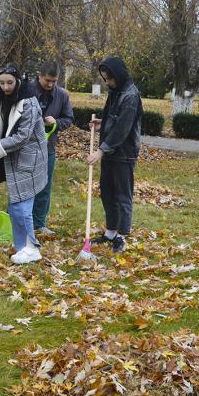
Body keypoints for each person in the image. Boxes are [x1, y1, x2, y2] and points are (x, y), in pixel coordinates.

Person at [0, 64, 48, 265]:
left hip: (30, 159)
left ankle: (32, 249)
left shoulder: (28, 102)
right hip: (15, 158)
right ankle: (21, 246)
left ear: (18, 80)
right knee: (15, 205)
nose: (6, 87)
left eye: (9, 83)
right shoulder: (7, 95)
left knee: (22, 207)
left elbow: (22, 137)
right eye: (2, 83)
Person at [87, 57, 143, 253]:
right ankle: (110, 232)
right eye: (105, 79)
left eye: (109, 79)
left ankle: (121, 235)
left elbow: (123, 128)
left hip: (124, 153)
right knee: (107, 192)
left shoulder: (130, 95)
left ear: (118, 75)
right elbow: (115, 118)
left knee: (121, 195)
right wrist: (102, 123)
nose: (107, 83)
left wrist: (101, 150)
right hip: (110, 151)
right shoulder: (116, 91)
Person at [26, 61, 73, 235]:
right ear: (39, 75)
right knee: (23, 185)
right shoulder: (26, 91)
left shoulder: (62, 95)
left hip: (48, 148)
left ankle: (39, 223)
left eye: (54, 81)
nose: (50, 84)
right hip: (25, 147)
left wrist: (57, 122)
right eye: (47, 80)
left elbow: (68, 118)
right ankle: (17, 218)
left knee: (44, 186)